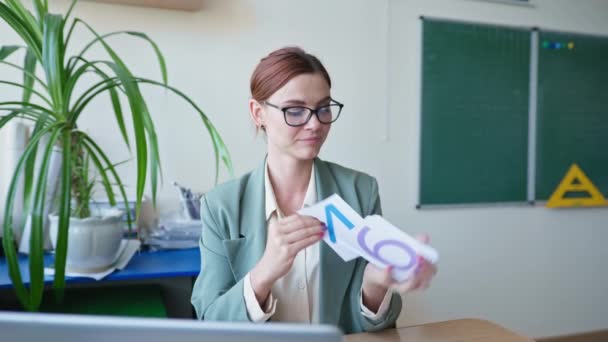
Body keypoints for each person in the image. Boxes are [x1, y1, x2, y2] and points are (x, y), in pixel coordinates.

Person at [191, 47, 437, 334]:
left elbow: (372, 327)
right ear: (258, 113)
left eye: (323, 108)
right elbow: (209, 322)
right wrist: (264, 272)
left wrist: (374, 285)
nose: (315, 124)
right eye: (295, 110)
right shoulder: (222, 205)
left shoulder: (360, 190)